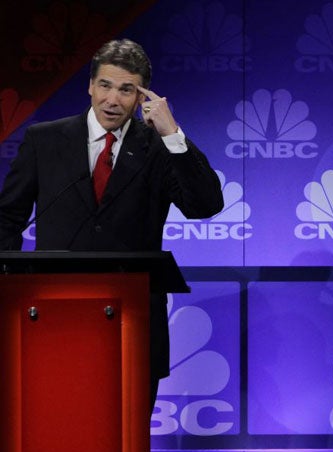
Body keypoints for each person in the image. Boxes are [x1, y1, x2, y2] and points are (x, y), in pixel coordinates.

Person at [0, 38, 224, 410]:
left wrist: (173, 134)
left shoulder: (158, 146)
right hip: (52, 318)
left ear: (141, 97)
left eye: (126, 90)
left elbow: (205, 205)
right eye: (104, 85)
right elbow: (7, 217)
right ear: (90, 85)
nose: (112, 100)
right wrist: (11, 289)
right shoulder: (45, 140)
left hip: (132, 322)